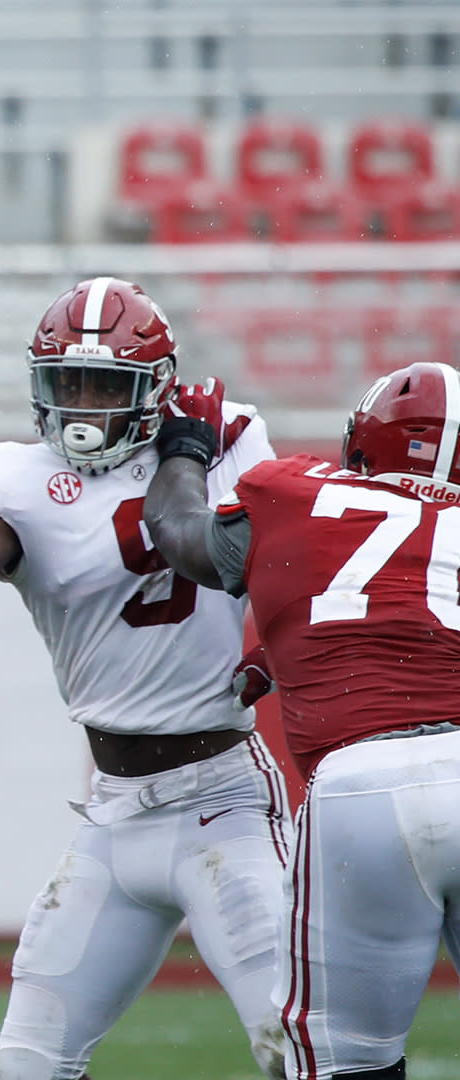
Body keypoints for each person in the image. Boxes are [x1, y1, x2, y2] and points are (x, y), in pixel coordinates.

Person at [0, 276, 291, 1080]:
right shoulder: (12, 482)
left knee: (296, 1046)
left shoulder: (230, 436)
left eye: (106, 383)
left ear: (157, 387)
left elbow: (274, 568)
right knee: (27, 1062)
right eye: (67, 381)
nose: (83, 404)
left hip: (224, 798)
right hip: (114, 816)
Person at [142, 361, 460, 1080]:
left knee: (348, 1063)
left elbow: (178, 533)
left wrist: (187, 446)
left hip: (361, 785)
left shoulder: (290, 491)